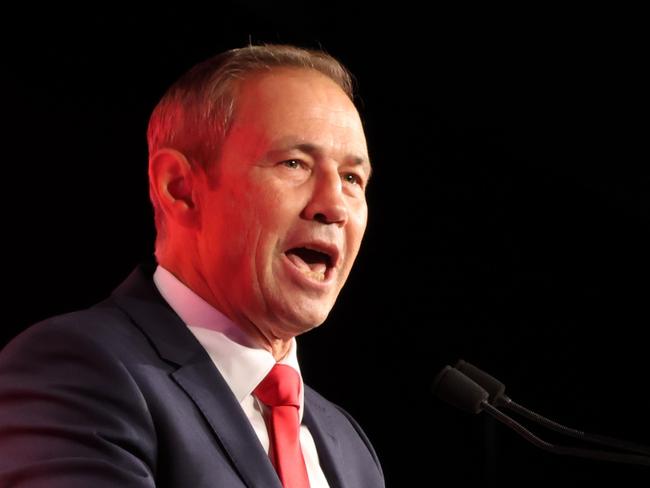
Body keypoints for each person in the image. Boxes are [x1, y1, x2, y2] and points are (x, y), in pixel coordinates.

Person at [0, 44, 384, 487]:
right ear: (179, 188)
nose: (334, 204)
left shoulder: (349, 446)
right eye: (294, 163)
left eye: (353, 178)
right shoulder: (75, 370)